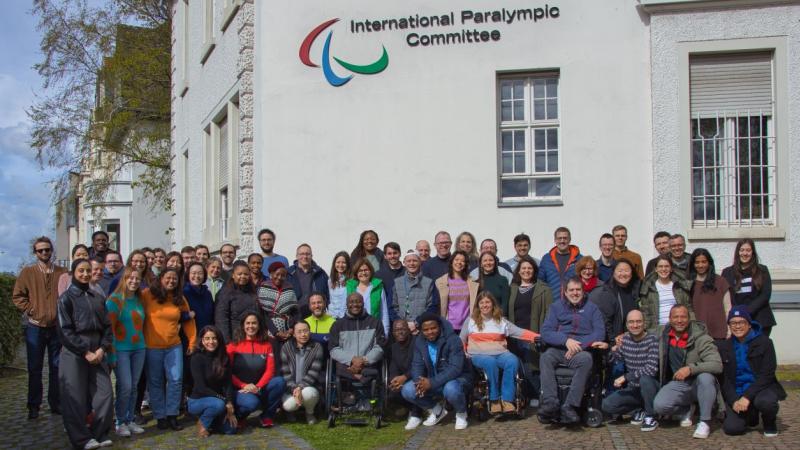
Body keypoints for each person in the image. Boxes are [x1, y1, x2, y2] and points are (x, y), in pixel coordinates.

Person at [57, 258, 114, 449]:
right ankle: (81, 439)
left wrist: (102, 348)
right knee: (74, 396)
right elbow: (65, 330)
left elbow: (107, 327)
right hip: (75, 351)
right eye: (81, 271)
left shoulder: (97, 297)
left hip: (97, 348)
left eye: (88, 271)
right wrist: (85, 351)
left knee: (104, 393)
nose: (85, 274)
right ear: (73, 273)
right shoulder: (66, 298)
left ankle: (98, 432)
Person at [12, 236, 67, 420]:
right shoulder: (27, 273)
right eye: (40, 250)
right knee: (35, 368)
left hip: (56, 328)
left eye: (47, 249)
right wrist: (30, 309)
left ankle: (56, 403)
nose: (44, 253)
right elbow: (18, 296)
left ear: (52, 251)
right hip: (35, 327)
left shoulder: (62, 272)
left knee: (56, 367)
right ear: (35, 253)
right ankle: (34, 406)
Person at [538, 277, 607, 424]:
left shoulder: (592, 308)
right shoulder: (556, 307)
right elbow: (546, 331)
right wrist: (565, 341)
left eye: (578, 290)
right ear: (565, 292)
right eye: (572, 290)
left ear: (583, 291)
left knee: (587, 359)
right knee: (546, 357)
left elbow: (599, 333)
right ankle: (550, 402)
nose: (575, 293)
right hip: (559, 348)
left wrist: (578, 346)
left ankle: (570, 406)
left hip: (581, 351)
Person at [461, 292, 538, 414]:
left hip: (500, 353)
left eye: (487, 302)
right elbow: (461, 340)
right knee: (490, 362)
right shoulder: (470, 321)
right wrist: (464, 352)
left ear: (493, 304)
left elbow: (519, 332)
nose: (484, 305)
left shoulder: (501, 321)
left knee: (512, 360)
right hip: (478, 355)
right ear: (478, 305)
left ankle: (507, 400)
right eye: (482, 303)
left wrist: (537, 337)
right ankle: (494, 400)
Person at [653, 304, 722, 439]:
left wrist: (691, 368)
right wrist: (622, 336)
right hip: (679, 384)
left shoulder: (701, 337)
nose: (679, 320)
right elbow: (643, 332)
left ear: (689, 318)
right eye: (676, 317)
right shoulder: (663, 333)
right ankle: (687, 409)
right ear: (670, 319)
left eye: (683, 317)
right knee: (659, 406)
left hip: (698, 382)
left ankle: (704, 421)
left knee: (706, 377)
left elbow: (717, 364)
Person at [141, 268, 197, 431]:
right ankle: (160, 416)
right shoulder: (147, 294)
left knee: (175, 380)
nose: (171, 281)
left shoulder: (179, 298)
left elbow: (188, 320)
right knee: (156, 381)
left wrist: (192, 341)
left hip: (174, 345)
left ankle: (172, 414)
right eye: (168, 278)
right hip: (152, 346)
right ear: (161, 278)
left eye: (174, 279)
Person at [719, 305, 786, 437]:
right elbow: (723, 378)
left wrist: (747, 397)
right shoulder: (723, 346)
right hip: (737, 392)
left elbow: (767, 374)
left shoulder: (765, 343)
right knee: (732, 429)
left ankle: (769, 422)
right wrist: (733, 400)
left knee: (766, 402)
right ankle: (751, 415)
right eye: (733, 323)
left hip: (760, 389)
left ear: (749, 324)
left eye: (741, 322)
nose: (737, 326)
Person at [402, 312, 472, 431]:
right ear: (421, 330)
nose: (430, 332)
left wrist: (431, 382)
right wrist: (418, 382)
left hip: (457, 379)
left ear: (439, 326)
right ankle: (437, 410)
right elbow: (416, 364)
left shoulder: (453, 339)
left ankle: (461, 413)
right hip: (434, 379)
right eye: (426, 329)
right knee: (408, 390)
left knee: (451, 389)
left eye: (433, 328)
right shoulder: (420, 342)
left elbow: (455, 368)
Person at [601, 310, 660, 431]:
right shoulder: (625, 339)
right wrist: (609, 349)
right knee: (606, 405)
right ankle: (639, 410)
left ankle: (651, 416)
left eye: (638, 321)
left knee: (645, 379)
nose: (635, 325)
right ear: (627, 325)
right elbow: (615, 358)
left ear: (644, 323)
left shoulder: (652, 340)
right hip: (634, 389)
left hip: (651, 388)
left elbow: (651, 369)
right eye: (631, 322)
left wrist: (626, 377)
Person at [106, 267, 147, 437]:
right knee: (125, 386)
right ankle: (120, 421)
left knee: (134, 386)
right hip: (121, 349)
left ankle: (130, 419)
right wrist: (112, 353)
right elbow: (110, 329)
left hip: (139, 348)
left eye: (137, 279)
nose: (134, 281)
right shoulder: (114, 301)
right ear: (124, 279)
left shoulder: (139, 300)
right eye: (130, 278)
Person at [227, 313, 285, 428]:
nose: (251, 326)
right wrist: (243, 385)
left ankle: (266, 416)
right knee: (252, 403)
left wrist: (257, 387)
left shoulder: (267, 345)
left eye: (254, 323)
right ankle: (240, 416)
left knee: (279, 382)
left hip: (258, 387)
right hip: (239, 389)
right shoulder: (233, 345)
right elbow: (227, 372)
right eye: (247, 323)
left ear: (259, 325)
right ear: (243, 326)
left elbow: (270, 370)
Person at [507, 256, 551, 404]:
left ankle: (534, 394)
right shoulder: (512, 288)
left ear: (534, 270)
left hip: (533, 333)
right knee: (517, 365)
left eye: (529, 268)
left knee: (531, 366)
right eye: (523, 268)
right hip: (515, 334)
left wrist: (543, 333)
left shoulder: (544, 289)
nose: (526, 271)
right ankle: (521, 395)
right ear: (518, 271)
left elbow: (548, 313)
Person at [188, 326, 237, 437]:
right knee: (218, 405)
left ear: (219, 340)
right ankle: (203, 424)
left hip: (218, 401)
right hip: (197, 400)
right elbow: (201, 388)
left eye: (214, 338)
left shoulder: (224, 357)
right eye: (207, 338)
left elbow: (228, 383)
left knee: (231, 430)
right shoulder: (196, 358)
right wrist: (224, 401)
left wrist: (230, 403)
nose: (211, 342)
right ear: (202, 340)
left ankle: (213, 422)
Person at [721, 238, 775, 337]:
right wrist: (738, 314)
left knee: (758, 350)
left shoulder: (762, 270)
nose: (745, 253)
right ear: (738, 252)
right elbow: (726, 296)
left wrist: (746, 312)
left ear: (753, 252)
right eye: (742, 250)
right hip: (737, 320)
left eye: (748, 250)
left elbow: (765, 295)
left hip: (759, 319)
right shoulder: (727, 272)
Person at [329, 292, 386, 383]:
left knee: (375, 367)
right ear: (347, 305)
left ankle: (357, 377)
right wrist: (352, 359)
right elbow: (333, 349)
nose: (355, 304)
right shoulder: (338, 325)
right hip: (347, 364)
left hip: (368, 363)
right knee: (339, 367)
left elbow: (380, 347)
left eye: (358, 302)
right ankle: (363, 377)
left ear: (363, 303)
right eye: (351, 302)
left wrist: (363, 360)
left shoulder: (375, 322)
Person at [589, 259, 641, 345]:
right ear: (613, 272)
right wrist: (613, 340)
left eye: (627, 271)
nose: (623, 274)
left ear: (632, 273)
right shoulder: (607, 292)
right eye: (620, 271)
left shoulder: (636, 290)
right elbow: (606, 321)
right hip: (613, 342)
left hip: (631, 338)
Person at [280, 321, 324, 424]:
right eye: (299, 332)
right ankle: (291, 412)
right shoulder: (286, 347)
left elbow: (314, 372)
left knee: (309, 394)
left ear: (310, 332)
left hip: (309, 387)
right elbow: (285, 373)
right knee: (288, 405)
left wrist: (300, 387)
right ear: (294, 334)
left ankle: (309, 413)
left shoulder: (317, 347)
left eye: (305, 331)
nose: (303, 334)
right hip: (291, 388)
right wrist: (294, 389)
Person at [640, 255, 693, 333]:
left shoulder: (679, 286)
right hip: (656, 330)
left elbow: (688, 308)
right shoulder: (648, 288)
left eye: (667, 266)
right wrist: (646, 330)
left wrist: (692, 327)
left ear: (671, 269)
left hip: (678, 329)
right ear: (656, 269)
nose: (663, 269)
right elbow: (645, 312)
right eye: (660, 266)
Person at [688, 249, 731, 341]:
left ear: (709, 263)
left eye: (704, 262)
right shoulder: (687, 283)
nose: (700, 265)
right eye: (697, 262)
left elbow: (728, 308)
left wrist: (729, 327)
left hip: (719, 332)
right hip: (696, 333)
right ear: (693, 264)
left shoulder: (721, 281)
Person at [257, 262, 299, 355]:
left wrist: (291, 329)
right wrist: (276, 332)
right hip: (269, 331)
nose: (279, 277)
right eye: (277, 274)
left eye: (283, 275)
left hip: (287, 330)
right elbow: (263, 313)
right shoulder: (264, 287)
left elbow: (295, 312)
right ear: (271, 274)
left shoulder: (289, 289)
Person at [391, 250, 438, 333]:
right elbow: (392, 307)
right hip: (401, 331)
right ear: (404, 263)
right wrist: (403, 324)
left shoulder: (429, 283)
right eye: (408, 261)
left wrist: (416, 323)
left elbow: (432, 307)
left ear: (420, 262)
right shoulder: (396, 282)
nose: (411, 264)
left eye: (415, 261)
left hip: (422, 329)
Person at [214, 261, 260, 343]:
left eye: (246, 274)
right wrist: (226, 341)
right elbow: (221, 319)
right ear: (233, 275)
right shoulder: (225, 293)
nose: (243, 276)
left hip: (252, 335)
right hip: (234, 337)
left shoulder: (253, 291)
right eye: (239, 274)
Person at [435, 250, 479, 334]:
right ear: (451, 262)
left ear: (466, 264)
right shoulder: (441, 281)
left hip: (467, 326)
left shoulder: (472, 282)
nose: (459, 262)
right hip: (448, 326)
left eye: (463, 261)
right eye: (457, 259)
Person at [346, 259, 390, 334]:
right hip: (354, 330)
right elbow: (344, 310)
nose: (363, 273)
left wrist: (385, 333)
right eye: (360, 270)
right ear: (356, 273)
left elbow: (384, 312)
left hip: (373, 329)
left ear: (371, 271)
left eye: (366, 270)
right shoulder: (350, 288)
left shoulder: (378, 287)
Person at [539, 227, 582, 303]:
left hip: (573, 304)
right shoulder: (547, 259)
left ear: (569, 240)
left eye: (565, 238)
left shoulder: (579, 259)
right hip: (552, 305)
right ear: (555, 240)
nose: (562, 241)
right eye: (559, 238)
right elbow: (540, 281)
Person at [287, 243, 330, 317]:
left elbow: (328, 294)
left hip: (316, 315)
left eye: (307, 254)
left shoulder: (320, 273)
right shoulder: (289, 273)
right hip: (295, 316)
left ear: (311, 256)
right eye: (302, 254)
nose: (305, 256)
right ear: (297, 256)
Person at [387, 320, 418, 420]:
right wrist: (394, 381)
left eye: (403, 329)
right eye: (396, 330)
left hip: (417, 377)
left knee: (409, 388)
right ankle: (407, 408)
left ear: (409, 330)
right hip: (403, 379)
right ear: (393, 333)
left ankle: (417, 411)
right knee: (392, 391)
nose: (400, 332)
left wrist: (405, 378)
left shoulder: (417, 342)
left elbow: (420, 367)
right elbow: (393, 367)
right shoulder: (393, 348)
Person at [184, 262, 215, 332]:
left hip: (206, 333)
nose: (197, 276)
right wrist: (187, 315)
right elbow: (176, 314)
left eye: (200, 273)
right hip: (189, 335)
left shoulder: (207, 293)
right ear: (188, 275)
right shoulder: (184, 292)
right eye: (193, 273)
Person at [327, 251, 351, 319]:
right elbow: (331, 299)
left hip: (346, 316)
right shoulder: (330, 281)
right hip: (332, 316)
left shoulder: (351, 281)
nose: (340, 265)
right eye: (338, 262)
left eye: (344, 263)